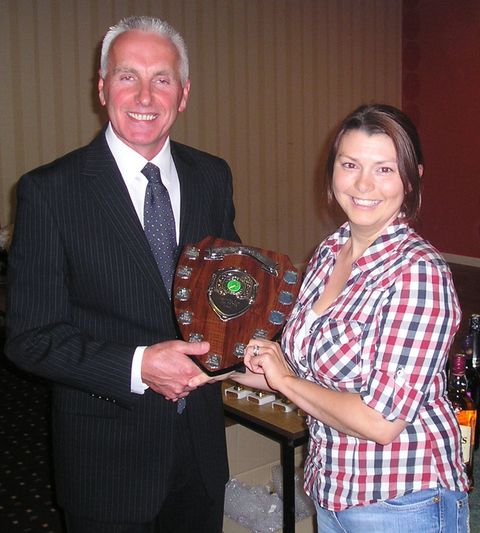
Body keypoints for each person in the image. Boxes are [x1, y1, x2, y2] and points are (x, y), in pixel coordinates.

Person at [6, 15, 239, 533]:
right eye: (127, 75)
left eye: (162, 78)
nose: (144, 94)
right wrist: (138, 367)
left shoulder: (211, 176)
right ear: (102, 86)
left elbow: (229, 290)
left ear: (183, 94)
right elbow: (29, 337)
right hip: (106, 461)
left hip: (199, 451)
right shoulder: (50, 192)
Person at [193, 104, 470, 532]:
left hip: (402, 500)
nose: (363, 184)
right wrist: (219, 367)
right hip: (333, 490)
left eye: (384, 169)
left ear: (413, 176)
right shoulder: (328, 252)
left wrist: (284, 379)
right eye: (350, 164)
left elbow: (382, 422)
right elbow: (305, 377)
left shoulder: (417, 272)